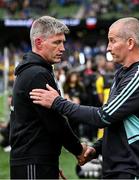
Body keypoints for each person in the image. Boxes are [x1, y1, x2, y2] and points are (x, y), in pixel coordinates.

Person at [30, 17, 139, 179]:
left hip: (135, 170)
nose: (108, 47)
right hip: (120, 169)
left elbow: (103, 116)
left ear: (130, 43)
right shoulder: (123, 73)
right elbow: (117, 121)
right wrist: (97, 148)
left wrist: (58, 102)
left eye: (112, 41)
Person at [9, 16, 86, 179]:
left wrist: (49, 164)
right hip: (33, 162)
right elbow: (54, 121)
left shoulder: (34, 71)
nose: (63, 48)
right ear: (38, 43)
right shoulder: (37, 74)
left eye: (63, 42)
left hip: (37, 161)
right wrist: (78, 149)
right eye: (57, 42)